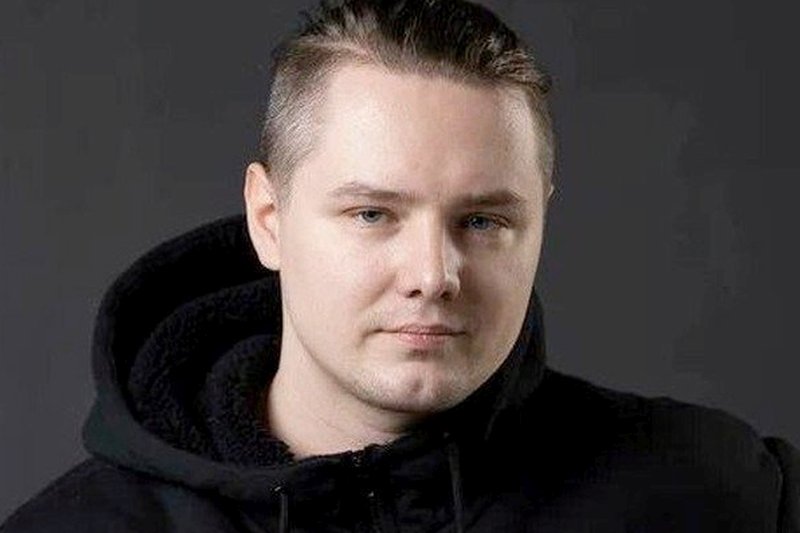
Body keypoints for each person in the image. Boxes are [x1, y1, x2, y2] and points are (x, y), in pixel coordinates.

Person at [2, 0, 798, 531]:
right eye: (372, 214)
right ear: (268, 219)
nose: (433, 273)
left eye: (482, 220)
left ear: (542, 220)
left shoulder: (717, 493)